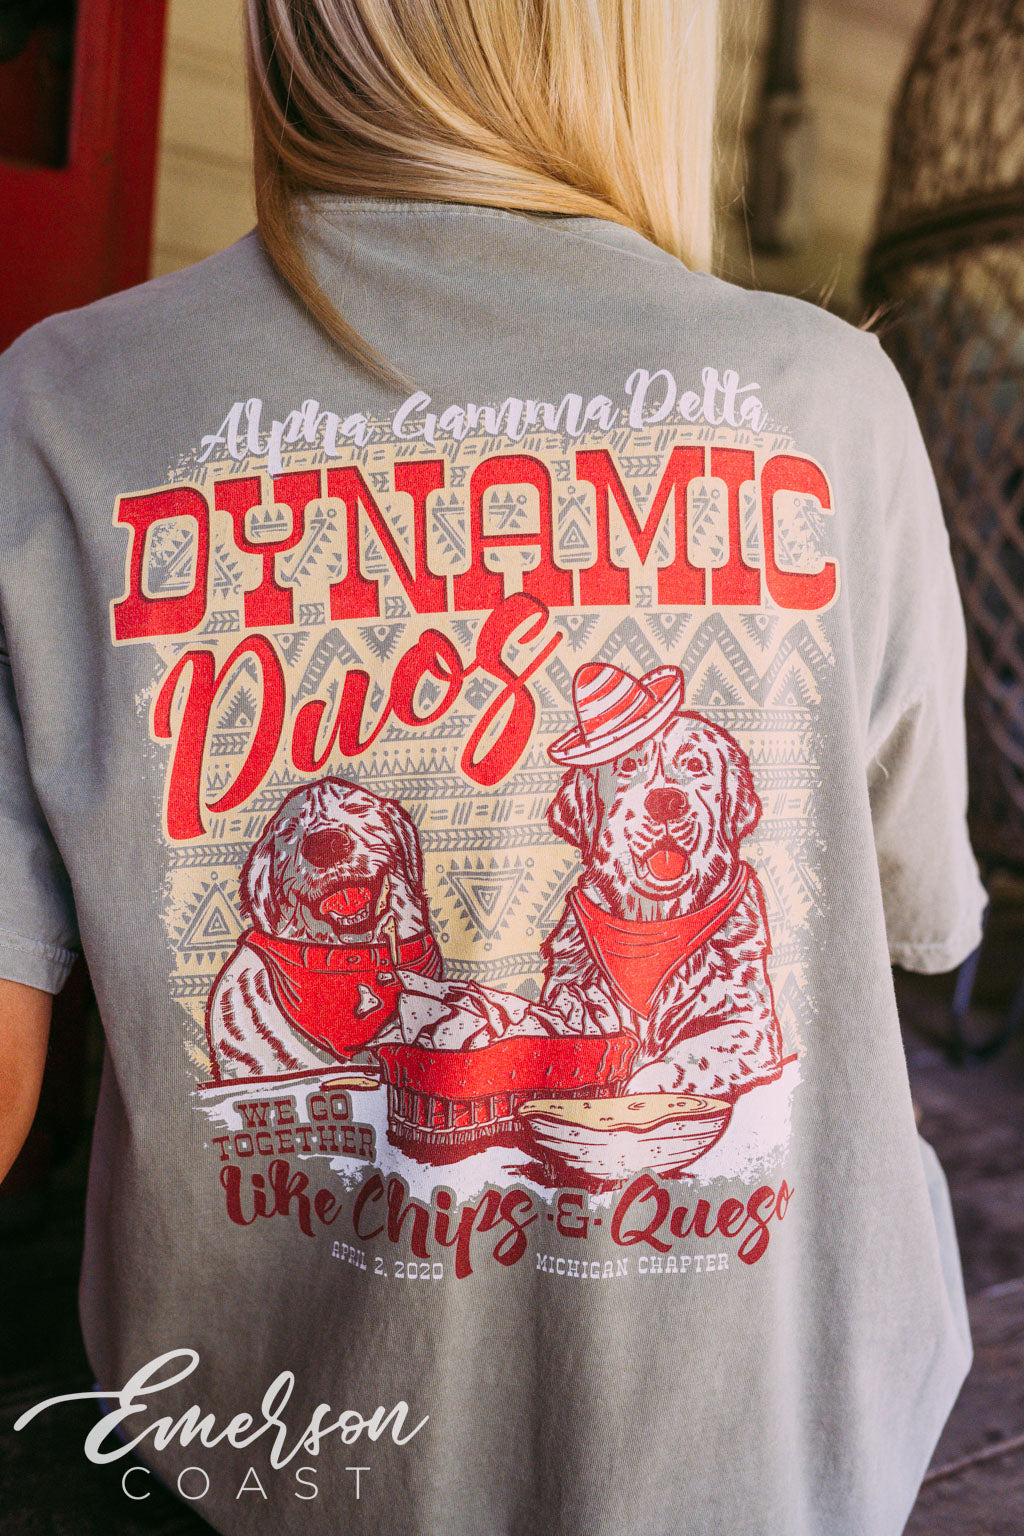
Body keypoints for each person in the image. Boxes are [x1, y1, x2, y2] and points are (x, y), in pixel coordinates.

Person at [0, 1, 986, 1532]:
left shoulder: (61, 401)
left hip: (262, 1458)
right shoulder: (824, 397)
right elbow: (923, 921)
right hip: (774, 1454)